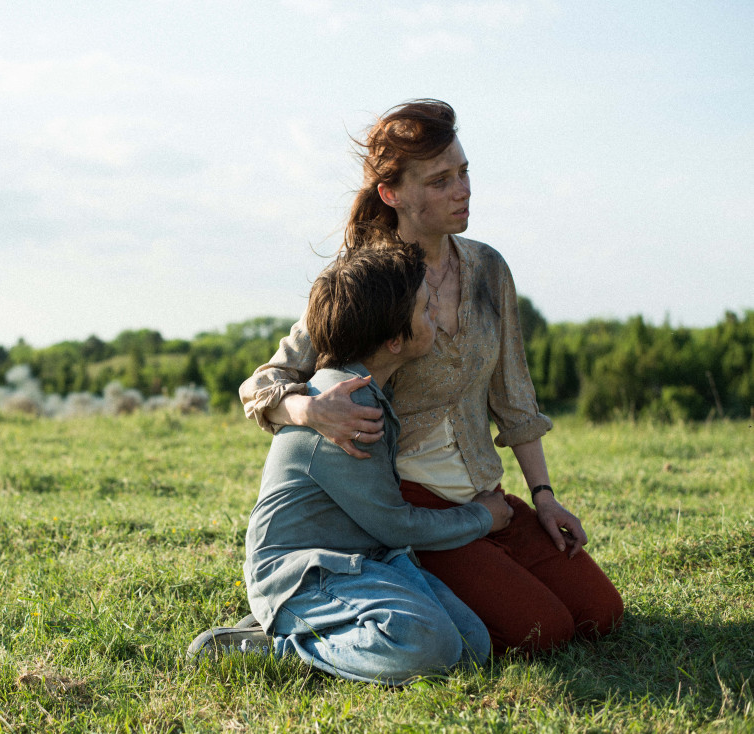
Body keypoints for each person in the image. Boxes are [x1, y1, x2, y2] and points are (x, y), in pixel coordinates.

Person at [239, 100, 622, 655]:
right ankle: (354, 611)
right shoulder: (363, 281)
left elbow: (514, 397)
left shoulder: (489, 268)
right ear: (392, 194)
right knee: (543, 632)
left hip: (484, 492)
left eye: (464, 172)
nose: (462, 190)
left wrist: (542, 495)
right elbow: (264, 382)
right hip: (410, 508)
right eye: (441, 180)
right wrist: (309, 409)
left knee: (600, 615)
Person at [188, 244, 516, 685]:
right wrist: (482, 516)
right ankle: (283, 646)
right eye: (425, 307)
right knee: (430, 648)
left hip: (365, 561)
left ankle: (319, 627)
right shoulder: (348, 406)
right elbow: (396, 526)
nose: (436, 312)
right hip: (300, 572)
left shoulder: (363, 389)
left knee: (471, 644)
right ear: (395, 341)